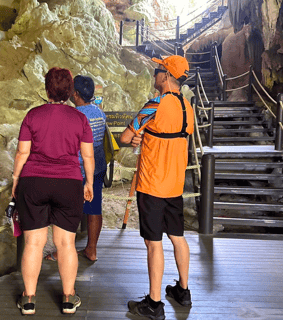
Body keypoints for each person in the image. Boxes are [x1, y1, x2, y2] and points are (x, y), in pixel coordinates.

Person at [11, 67, 95, 315]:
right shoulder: (80, 119)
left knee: (34, 243)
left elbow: (22, 153)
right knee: (66, 243)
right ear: (70, 92)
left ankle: (28, 299)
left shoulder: (33, 115)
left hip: (33, 181)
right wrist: (88, 183)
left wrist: (16, 179)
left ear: (47, 89)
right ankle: (69, 298)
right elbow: (87, 155)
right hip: (68, 183)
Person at [120, 55, 194, 320]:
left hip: (152, 183)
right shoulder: (188, 107)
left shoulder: (156, 104)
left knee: (154, 244)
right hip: (175, 185)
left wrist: (139, 136)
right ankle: (183, 292)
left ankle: (154, 303)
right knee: (177, 237)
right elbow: (172, 136)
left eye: (156, 71)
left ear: (165, 76)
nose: (154, 76)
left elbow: (126, 137)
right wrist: (147, 134)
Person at [44, 75, 106, 262]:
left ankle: (62, 252)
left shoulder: (75, 116)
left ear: (76, 94)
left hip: (76, 170)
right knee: (94, 208)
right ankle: (91, 250)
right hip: (97, 168)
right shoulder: (99, 113)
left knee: (68, 212)